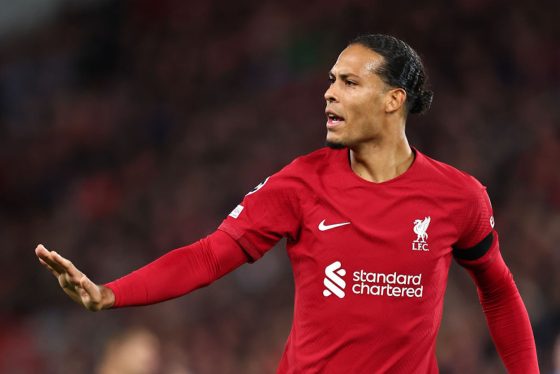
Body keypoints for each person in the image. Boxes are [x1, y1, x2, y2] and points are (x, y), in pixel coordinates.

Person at [35, 34, 539, 373]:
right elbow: (210, 255)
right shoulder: (299, 184)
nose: (329, 94)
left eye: (349, 82)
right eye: (330, 80)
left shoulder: (459, 197)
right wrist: (110, 294)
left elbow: (497, 289)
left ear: (394, 99)